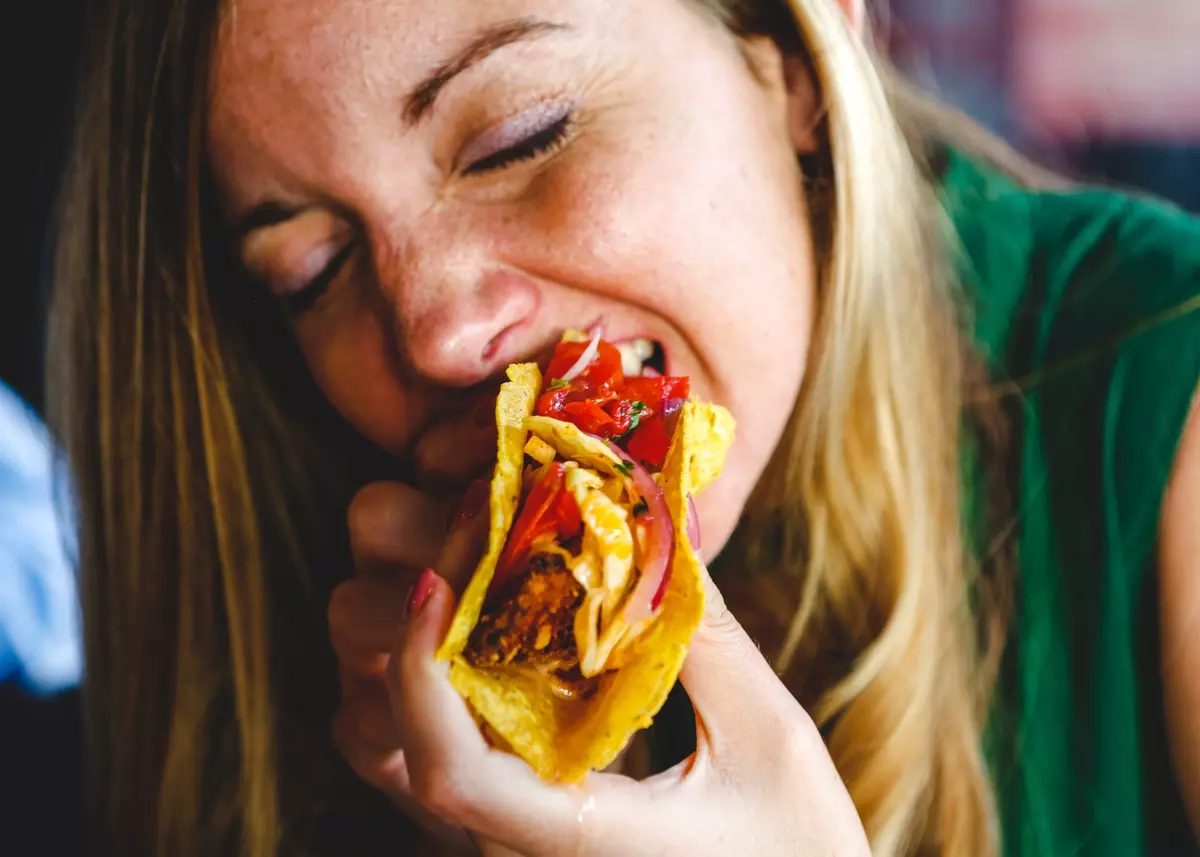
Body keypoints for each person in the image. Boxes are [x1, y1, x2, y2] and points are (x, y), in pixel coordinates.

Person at [46, 1, 1199, 856]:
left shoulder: (1167, 396)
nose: (438, 334)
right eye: (316, 267)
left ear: (792, 55)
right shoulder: (327, 670)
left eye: (520, 136)